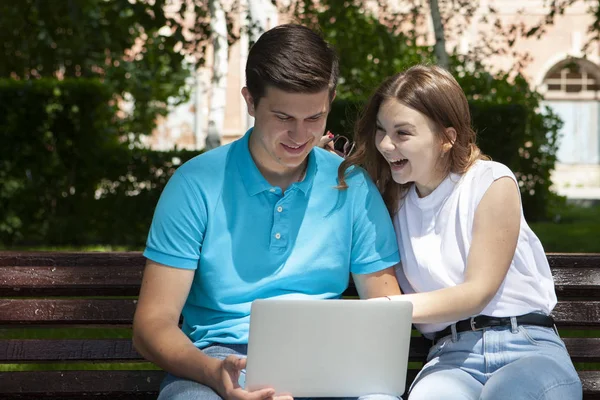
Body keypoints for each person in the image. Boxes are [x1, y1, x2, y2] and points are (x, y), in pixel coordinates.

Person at [132, 24, 402, 400]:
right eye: (283, 117)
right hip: (217, 364)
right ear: (250, 101)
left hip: (328, 361)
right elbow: (151, 324)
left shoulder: (351, 185)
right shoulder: (196, 184)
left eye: (314, 118)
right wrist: (215, 375)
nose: (299, 135)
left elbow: (383, 310)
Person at [338, 65, 582, 399]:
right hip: (450, 359)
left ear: (447, 138)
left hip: (527, 348)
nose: (385, 144)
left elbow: (477, 293)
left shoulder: (491, 182)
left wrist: (391, 305)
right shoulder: (390, 202)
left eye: (402, 133)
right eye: (381, 130)